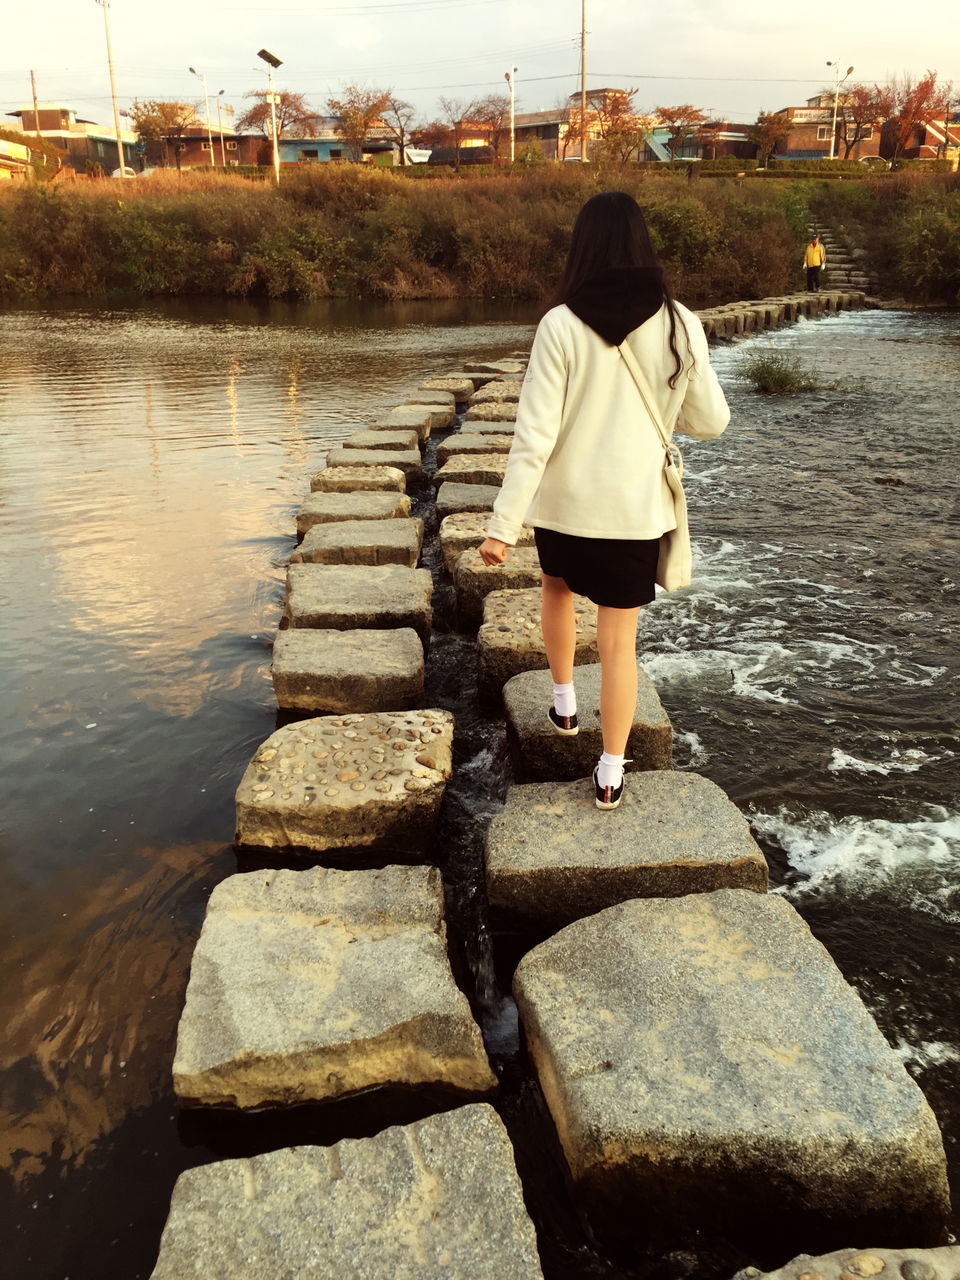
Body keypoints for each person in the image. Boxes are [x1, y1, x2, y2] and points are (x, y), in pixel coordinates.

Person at [478, 190, 730, 810]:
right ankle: (611, 772)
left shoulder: (560, 324)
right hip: (634, 510)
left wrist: (502, 526)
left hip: (565, 505)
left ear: (583, 246)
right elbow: (711, 422)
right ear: (643, 244)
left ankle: (563, 701)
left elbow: (534, 436)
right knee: (620, 644)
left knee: (557, 589)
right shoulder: (681, 322)